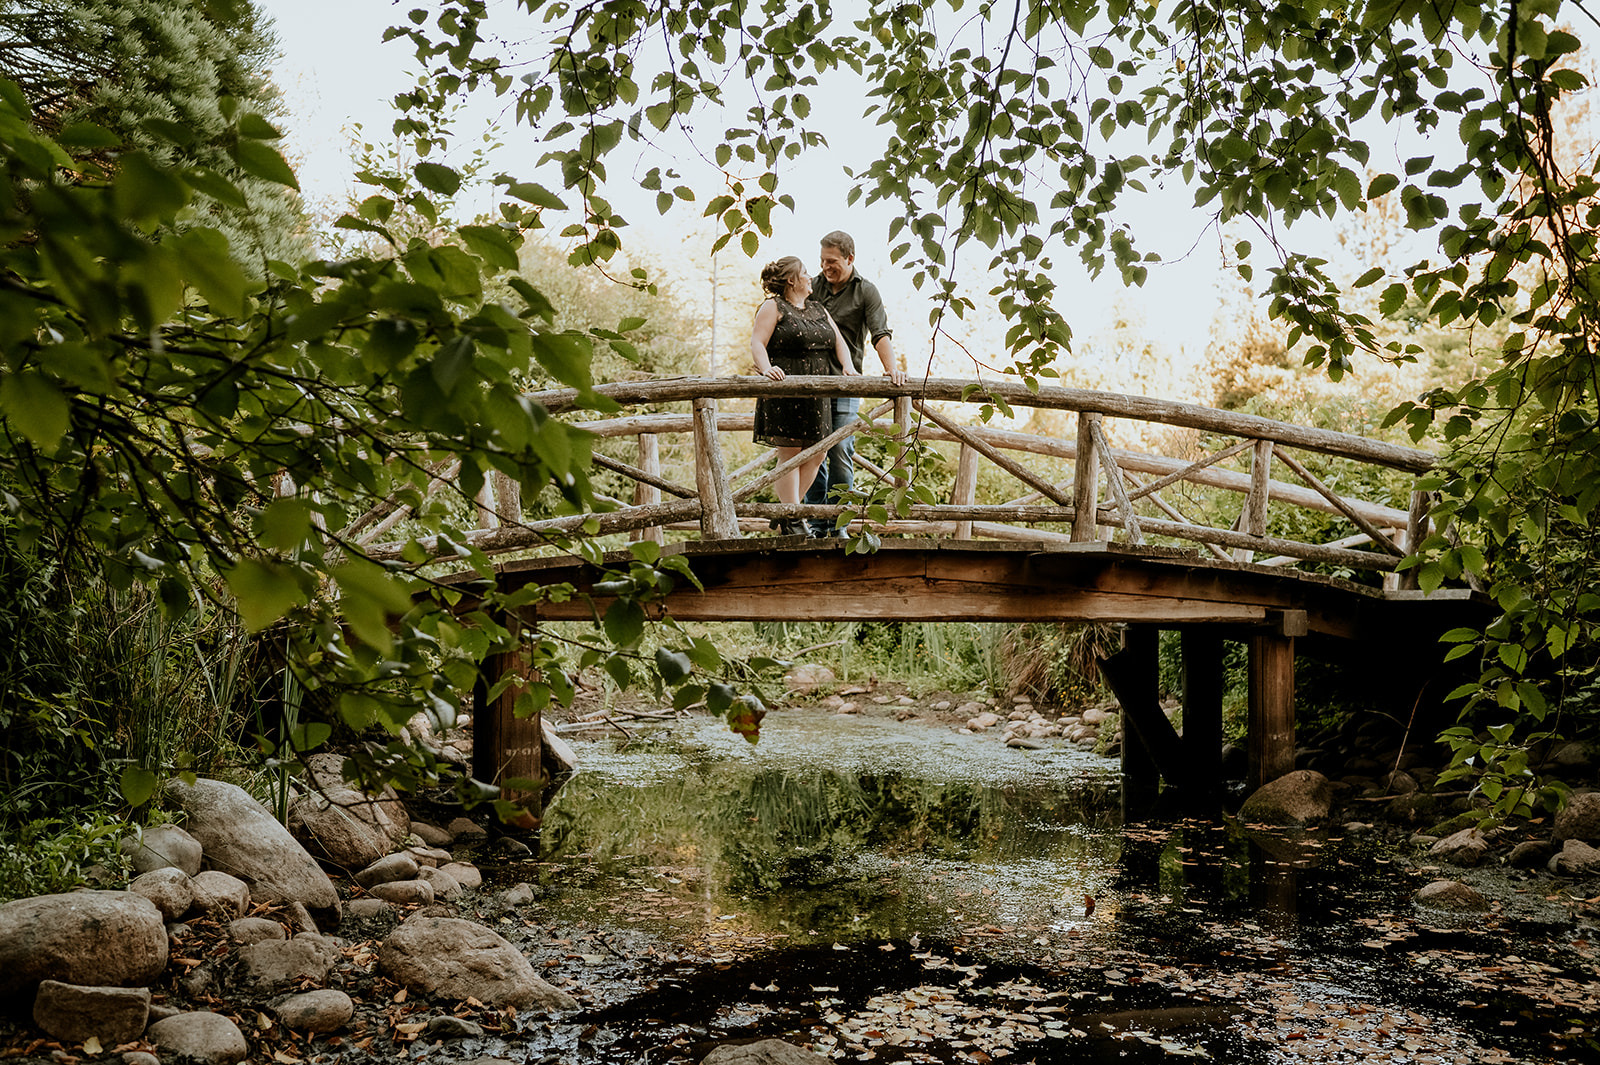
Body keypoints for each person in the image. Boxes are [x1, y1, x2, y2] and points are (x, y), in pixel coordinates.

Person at [805, 230, 907, 536]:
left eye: (832, 261)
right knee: (812, 454)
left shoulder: (866, 292)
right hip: (810, 383)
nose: (826, 266)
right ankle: (814, 523)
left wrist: (893, 370)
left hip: (847, 384)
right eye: (822, 260)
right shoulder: (812, 286)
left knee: (840, 453)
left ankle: (839, 526)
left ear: (850, 259)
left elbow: (880, 333)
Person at [750, 256, 859, 537]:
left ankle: (789, 514)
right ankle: (795, 518)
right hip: (785, 389)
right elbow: (757, 343)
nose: (811, 277)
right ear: (791, 280)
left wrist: (848, 367)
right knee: (790, 453)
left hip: (817, 394)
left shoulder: (818, 308)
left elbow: (839, 343)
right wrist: (766, 369)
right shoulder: (773, 306)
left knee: (818, 452)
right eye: (805, 273)